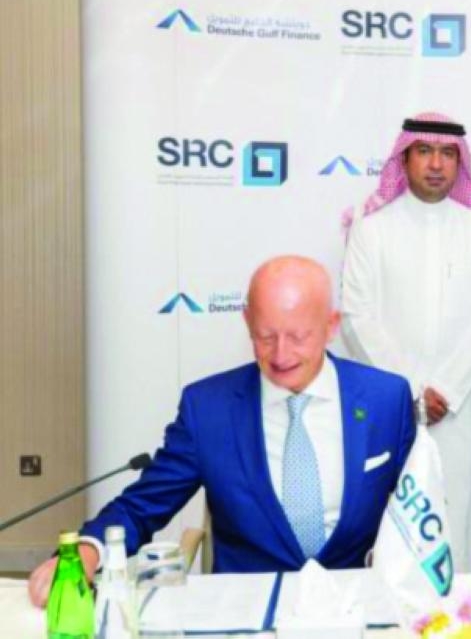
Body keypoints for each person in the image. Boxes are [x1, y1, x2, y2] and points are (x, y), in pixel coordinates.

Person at [28, 255, 416, 606]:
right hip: (246, 613)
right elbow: (142, 506)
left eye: (298, 337)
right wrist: (87, 551)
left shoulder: (386, 399)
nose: (281, 355)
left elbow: (419, 514)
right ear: (247, 322)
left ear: (331, 326)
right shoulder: (208, 409)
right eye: (265, 336)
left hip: (356, 609)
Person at [340, 113, 471, 570]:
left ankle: (453, 607)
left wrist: (443, 390)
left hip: (452, 406)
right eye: (425, 152)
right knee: (384, 519)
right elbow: (357, 316)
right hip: (387, 403)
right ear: (405, 158)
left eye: (448, 154)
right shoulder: (371, 228)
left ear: (459, 162)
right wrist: (410, 391)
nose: (436, 164)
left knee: (450, 516)